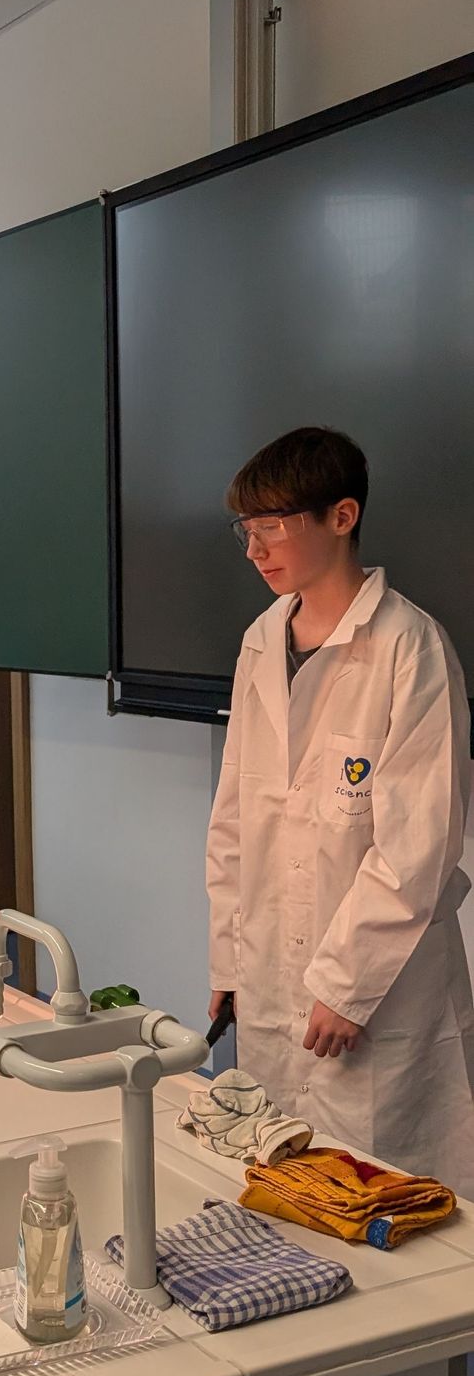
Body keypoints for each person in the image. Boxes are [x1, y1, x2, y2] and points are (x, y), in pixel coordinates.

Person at [206, 427, 474, 1194]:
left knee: (393, 1194)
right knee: (286, 1188)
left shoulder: (409, 648)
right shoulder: (261, 640)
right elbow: (236, 817)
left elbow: (419, 842)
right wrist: (228, 956)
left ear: (342, 516)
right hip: (269, 970)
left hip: (379, 991)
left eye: (273, 527)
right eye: (246, 530)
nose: (255, 550)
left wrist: (347, 982)